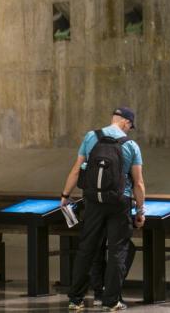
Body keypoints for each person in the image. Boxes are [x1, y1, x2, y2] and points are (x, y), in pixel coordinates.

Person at [62, 107, 145, 311]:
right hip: (120, 203)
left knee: (87, 249)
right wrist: (140, 211)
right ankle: (111, 301)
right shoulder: (131, 145)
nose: (129, 130)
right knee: (118, 251)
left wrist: (65, 196)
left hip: (93, 201)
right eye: (130, 126)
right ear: (126, 122)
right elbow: (138, 183)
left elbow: (76, 169)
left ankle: (75, 299)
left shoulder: (91, 137)